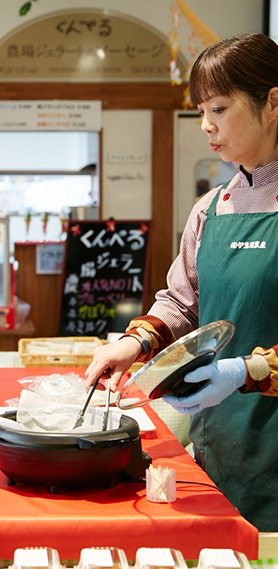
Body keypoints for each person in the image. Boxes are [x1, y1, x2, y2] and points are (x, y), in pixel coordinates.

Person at [85, 32, 278, 532]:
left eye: (219, 108)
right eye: (201, 111)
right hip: (220, 445)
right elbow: (182, 301)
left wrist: (246, 371)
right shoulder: (212, 208)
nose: (206, 126)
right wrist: (134, 344)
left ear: (273, 102)